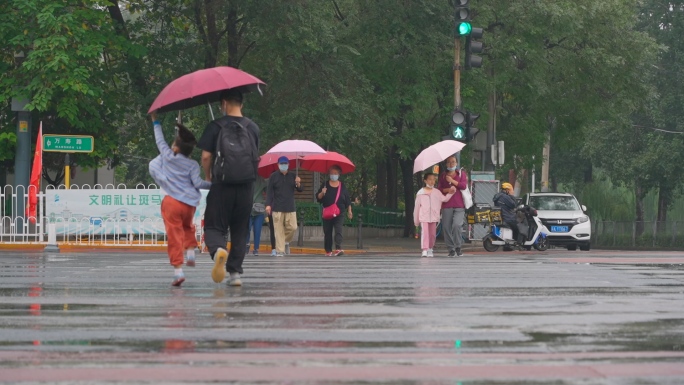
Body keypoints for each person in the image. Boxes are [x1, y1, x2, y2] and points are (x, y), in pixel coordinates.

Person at [197, 89, 260, 286]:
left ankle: (218, 252)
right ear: (242, 104)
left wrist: (208, 175)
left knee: (214, 225)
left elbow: (206, 157)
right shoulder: (253, 128)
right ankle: (235, 274)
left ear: (224, 103)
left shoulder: (215, 126)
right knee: (240, 230)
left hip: (221, 185)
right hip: (246, 186)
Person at [148, 111, 211, 287]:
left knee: (174, 235)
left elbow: (159, 140)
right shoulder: (192, 164)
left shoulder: (167, 156)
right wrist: (213, 184)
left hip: (172, 203)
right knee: (188, 226)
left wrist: (155, 121)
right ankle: (191, 252)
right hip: (189, 205)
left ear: (175, 148)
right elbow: (198, 183)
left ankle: (178, 271)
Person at [413, 168, 456, 258]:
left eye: (433, 179)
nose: (432, 181)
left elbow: (444, 199)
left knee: (432, 234)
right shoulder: (420, 193)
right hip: (424, 216)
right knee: (425, 233)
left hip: (434, 216)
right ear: (425, 180)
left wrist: (451, 193)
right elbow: (417, 207)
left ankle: (430, 248)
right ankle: (424, 249)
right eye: (430, 179)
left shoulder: (437, 192)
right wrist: (416, 221)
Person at [265, 157, 302, 257]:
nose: (283, 165)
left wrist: (298, 183)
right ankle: (280, 251)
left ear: (288, 165)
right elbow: (269, 192)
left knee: (293, 227)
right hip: (277, 207)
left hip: (290, 207)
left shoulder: (293, 176)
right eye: (281, 163)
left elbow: (300, 190)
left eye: (285, 163)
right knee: (278, 230)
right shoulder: (273, 176)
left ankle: (285, 241)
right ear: (278, 164)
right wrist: (268, 205)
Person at [316, 165, 353, 256]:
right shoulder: (325, 184)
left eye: (335, 173)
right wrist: (322, 192)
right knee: (327, 231)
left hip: (339, 212)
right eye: (332, 173)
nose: (333, 175)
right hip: (328, 212)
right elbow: (318, 198)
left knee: (338, 229)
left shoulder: (342, 186)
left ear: (339, 174)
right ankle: (328, 250)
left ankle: (338, 248)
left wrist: (349, 211)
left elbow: (347, 199)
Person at [438, 156, 468, 257]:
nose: (451, 164)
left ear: (456, 163)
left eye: (453, 162)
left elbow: (463, 186)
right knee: (446, 227)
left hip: (459, 205)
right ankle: (451, 248)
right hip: (447, 204)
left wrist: (452, 181)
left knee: (457, 225)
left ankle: (458, 246)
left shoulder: (461, 174)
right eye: (449, 162)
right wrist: (448, 190)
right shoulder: (443, 176)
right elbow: (439, 189)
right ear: (446, 164)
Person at [246, 176, 268, 256]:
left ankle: (256, 248)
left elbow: (268, 191)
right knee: (246, 228)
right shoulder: (245, 179)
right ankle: (247, 244)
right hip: (247, 208)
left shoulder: (262, 180)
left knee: (257, 230)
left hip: (258, 209)